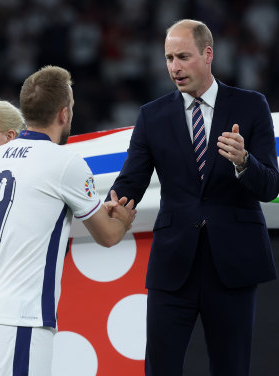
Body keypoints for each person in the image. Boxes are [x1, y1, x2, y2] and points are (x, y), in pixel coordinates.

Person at [106, 19, 279, 376]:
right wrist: (112, 203)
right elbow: (131, 182)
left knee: (231, 368)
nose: (174, 67)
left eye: (183, 56)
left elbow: (271, 187)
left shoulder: (250, 106)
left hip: (233, 263)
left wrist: (244, 163)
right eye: (169, 58)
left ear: (208, 54)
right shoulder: (151, 116)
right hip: (173, 266)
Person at [0, 65, 136, 376]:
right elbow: (108, 236)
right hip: (22, 318)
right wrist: (123, 218)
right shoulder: (65, 162)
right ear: (64, 114)